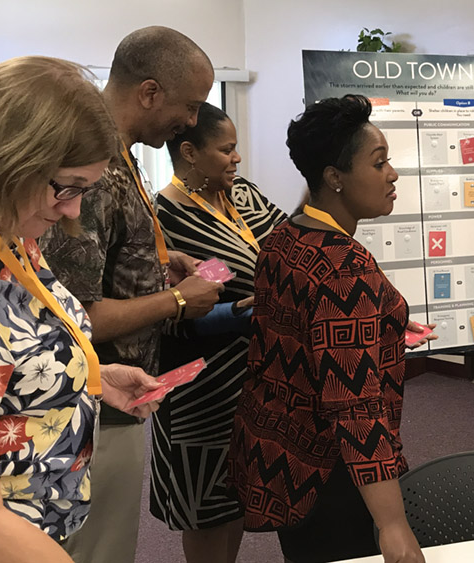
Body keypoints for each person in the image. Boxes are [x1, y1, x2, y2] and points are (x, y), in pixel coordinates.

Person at [0, 56, 163, 562]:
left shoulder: (5, 232)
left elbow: (1, 363)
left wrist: (85, 374)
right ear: (4, 161)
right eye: (66, 187)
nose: (72, 209)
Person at [38, 27, 223, 563]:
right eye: (190, 106)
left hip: (116, 395)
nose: (192, 121)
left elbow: (105, 259)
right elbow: (72, 314)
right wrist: (178, 301)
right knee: (98, 550)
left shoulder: (120, 156)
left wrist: (159, 263)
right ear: (148, 92)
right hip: (96, 402)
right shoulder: (93, 166)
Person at [228, 94, 428, 563]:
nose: (393, 174)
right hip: (333, 469)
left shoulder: (284, 237)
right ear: (335, 178)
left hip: (281, 456)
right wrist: (392, 524)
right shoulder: (345, 267)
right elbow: (354, 405)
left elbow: (300, 331)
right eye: (379, 163)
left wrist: (382, 325)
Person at [150, 102, 287, 563]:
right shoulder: (162, 218)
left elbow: (291, 239)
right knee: (204, 507)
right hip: (201, 387)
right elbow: (161, 314)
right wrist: (235, 313)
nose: (237, 158)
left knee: (236, 498)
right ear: (190, 152)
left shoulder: (243, 194)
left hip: (254, 377)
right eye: (226, 150)